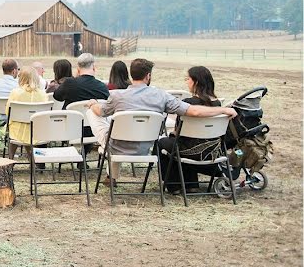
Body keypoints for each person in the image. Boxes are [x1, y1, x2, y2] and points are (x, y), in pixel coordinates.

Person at [87, 58, 236, 186]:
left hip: (116, 145)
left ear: (131, 75)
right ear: (148, 76)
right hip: (146, 145)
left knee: (96, 115)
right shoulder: (161, 96)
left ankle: (110, 173)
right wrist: (223, 110)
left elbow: (100, 112)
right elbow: (194, 111)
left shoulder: (117, 96)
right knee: (122, 128)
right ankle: (111, 174)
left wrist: (93, 104)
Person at [156, 66, 226, 193]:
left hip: (190, 151)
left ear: (196, 82)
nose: (186, 82)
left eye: (187, 79)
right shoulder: (217, 105)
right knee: (186, 141)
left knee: (163, 143)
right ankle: (192, 184)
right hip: (211, 151)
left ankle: (174, 186)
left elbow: (178, 131)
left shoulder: (188, 103)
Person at [4, 67, 49, 159]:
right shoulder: (43, 94)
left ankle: (10, 160)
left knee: (16, 130)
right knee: (28, 130)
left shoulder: (15, 92)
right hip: (37, 131)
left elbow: (8, 112)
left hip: (17, 131)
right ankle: (32, 162)